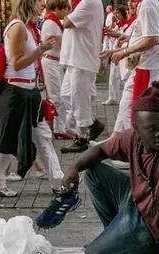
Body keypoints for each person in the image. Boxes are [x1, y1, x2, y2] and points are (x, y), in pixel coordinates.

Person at [61, 81, 159, 254]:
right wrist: (73, 168)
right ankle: (117, 236)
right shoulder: (132, 138)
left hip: (152, 227)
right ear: (136, 128)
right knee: (93, 173)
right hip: (134, 202)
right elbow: (100, 150)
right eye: (152, 129)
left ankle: (152, 252)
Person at [0, 0, 56, 197]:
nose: (42, 6)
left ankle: (58, 180)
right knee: (9, 137)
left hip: (27, 90)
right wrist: (40, 50)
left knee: (40, 135)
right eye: (39, 2)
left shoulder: (26, 27)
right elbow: (16, 63)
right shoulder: (18, 27)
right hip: (16, 90)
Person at [102, 0, 159, 145]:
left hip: (146, 65)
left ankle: (130, 145)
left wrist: (125, 51)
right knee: (127, 101)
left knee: (133, 105)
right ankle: (115, 140)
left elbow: (151, 39)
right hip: (144, 64)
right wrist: (114, 51)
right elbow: (145, 35)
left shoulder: (147, 4)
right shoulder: (148, 3)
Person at [57, 0, 104, 153]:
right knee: (66, 95)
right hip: (75, 59)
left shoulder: (89, 2)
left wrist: (65, 14)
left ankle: (81, 138)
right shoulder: (82, 3)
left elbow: (67, 22)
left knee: (79, 98)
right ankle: (92, 123)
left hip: (82, 60)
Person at [40, 0, 72, 140]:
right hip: (52, 61)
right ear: (57, 8)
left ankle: (56, 126)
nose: (67, 12)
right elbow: (60, 44)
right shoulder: (51, 23)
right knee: (57, 97)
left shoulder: (53, 22)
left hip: (54, 61)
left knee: (57, 96)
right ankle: (59, 128)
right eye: (65, 9)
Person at [101, 4, 126, 108]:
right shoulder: (117, 24)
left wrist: (113, 34)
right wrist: (111, 26)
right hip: (114, 52)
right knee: (113, 75)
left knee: (123, 76)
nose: (115, 15)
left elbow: (123, 35)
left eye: (117, 13)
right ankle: (113, 97)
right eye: (114, 13)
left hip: (122, 53)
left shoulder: (126, 24)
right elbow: (113, 31)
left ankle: (126, 98)